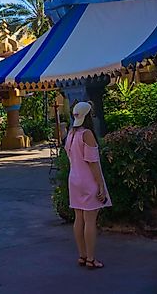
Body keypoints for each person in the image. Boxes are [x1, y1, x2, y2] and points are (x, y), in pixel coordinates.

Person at [65, 101, 111, 270]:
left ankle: (82, 255)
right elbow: (93, 162)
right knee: (90, 220)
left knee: (79, 218)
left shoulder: (71, 134)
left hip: (74, 179)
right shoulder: (87, 134)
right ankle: (91, 259)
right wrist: (100, 185)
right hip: (87, 180)